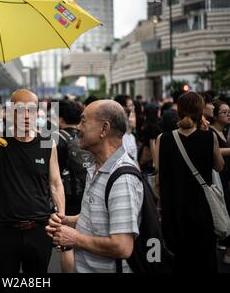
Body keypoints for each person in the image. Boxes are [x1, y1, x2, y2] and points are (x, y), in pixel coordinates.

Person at [46, 100, 144, 273]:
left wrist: (75, 239)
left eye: (83, 121)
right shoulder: (96, 168)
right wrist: (69, 221)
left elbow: (122, 246)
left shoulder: (122, 178)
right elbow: (100, 218)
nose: (78, 127)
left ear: (104, 129)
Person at [0, 89, 65, 273]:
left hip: (39, 230)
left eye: (31, 110)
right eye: (20, 110)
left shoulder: (47, 143)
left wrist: (60, 219)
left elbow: (56, 183)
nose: (26, 116)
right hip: (5, 232)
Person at [156, 92, 224, 272]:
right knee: (205, 261)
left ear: (178, 110)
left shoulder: (163, 139)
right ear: (200, 111)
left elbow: (158, 178)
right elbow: (219, 166)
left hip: (174, 211)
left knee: (179, 262)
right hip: (203, 211)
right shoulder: (209, 137)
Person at [208, 100, 230, 264]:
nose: (228, 115)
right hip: (218, 178)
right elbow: (213, 151)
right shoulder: (211, 132)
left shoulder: (225, 131)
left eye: (229, 111)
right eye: (224, 112)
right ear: (215, 116)